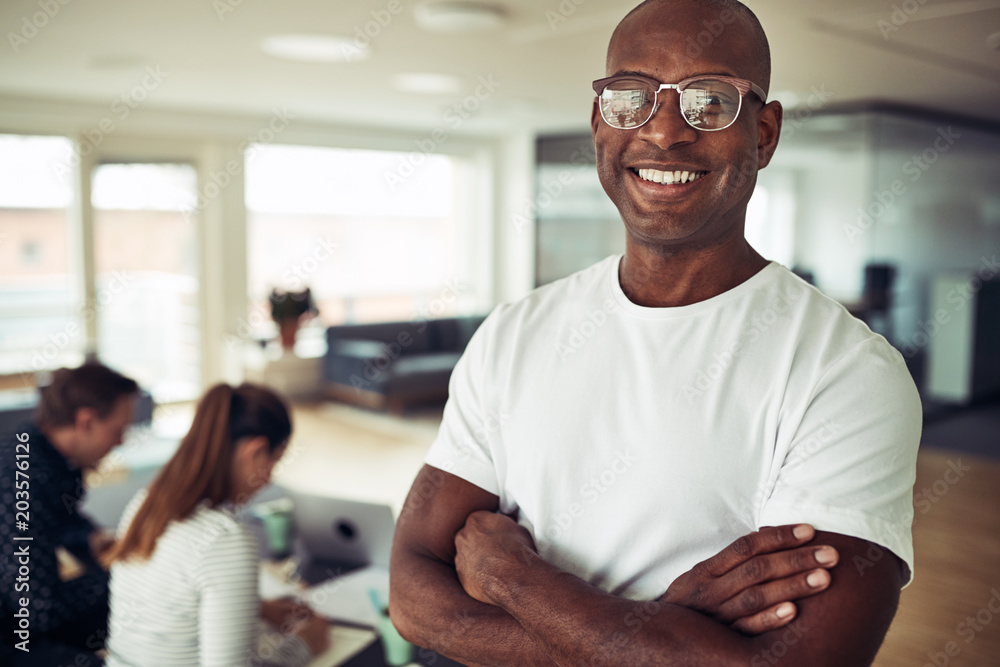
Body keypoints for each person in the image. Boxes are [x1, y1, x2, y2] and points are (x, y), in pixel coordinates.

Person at [389, 1, 922, 665]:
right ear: (598, 122)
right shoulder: (513, 333)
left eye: (709, 101)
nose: (665, 132)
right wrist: (653, 636)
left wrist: (517, 580)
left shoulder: (847, 373)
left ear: (764, 133)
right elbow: (413, 594)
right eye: (630, 96)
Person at [102, 383, 330, 667]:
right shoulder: (226, 539)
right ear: (256, 451)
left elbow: (170, 601)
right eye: (274, 462)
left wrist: (254, 607)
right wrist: (305, 644)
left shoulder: (144, 505)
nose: (270, 479)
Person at [0, 362, 139, 666]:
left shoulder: (43, 453)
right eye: (118, 431)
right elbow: (37, 608)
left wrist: (90, 538)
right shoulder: (21, 479)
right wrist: (126, 577)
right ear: (86, 421)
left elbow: (59, 519)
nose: (121, 442)